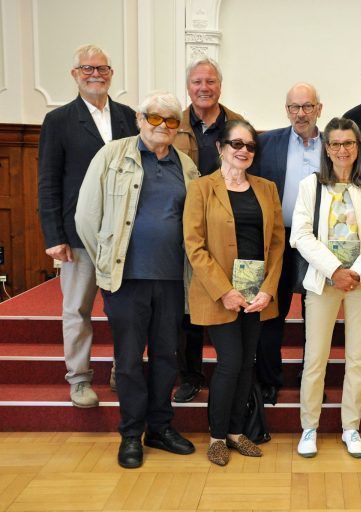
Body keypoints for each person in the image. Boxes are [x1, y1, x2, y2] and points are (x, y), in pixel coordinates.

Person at [75, 91, 199, 469]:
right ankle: (131, 433)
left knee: (165, 356)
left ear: (178, 127)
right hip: (126, 280)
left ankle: (159, 427)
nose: (163, 126)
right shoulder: (112, 156)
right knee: (128, 360)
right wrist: (107, 261)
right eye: (154, 118)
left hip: (172, 280)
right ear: (140, 119)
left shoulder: (185, 165)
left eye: (171, 120)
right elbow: (86, 217)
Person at [37, 44, 137, 408]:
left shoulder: (129, 117)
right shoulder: (59, 120)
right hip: (78, 234)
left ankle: (122, 370)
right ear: (74, 74)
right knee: (77, 309)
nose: (95, 74)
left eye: (102, 68)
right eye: (87, 68)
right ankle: (79, 379)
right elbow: (48, 181)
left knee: (125, 309)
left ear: (111, 73)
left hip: (122, 235)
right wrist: (54, 236)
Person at [184, 120, 285, 466]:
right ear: (221, 147)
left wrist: (268, 290)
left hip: (256, 293)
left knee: (246, 363)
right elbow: (195, 246)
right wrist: (224, 291)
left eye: (250, 146)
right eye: (236, 144)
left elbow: (277, 244)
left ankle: (237, 432)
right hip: (219, 292)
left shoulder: (267, 188)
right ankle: (216, 436)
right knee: (229, 362)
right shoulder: (201, 188)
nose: (243, 151)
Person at [290, 118, 361, 459]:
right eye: (335, 144)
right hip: (324, 280)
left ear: (357, 147)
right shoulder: (311, 185)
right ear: (327, 149)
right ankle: (309, 427)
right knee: (315, 357)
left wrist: (355, 272)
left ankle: (351, 427)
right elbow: (300, 234)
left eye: (348, 143)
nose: (342, 150)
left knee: (357, 357)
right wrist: (334, 269)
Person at [172, 57, 247, 404]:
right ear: (188, 87)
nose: (204, 88)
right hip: (184, 225)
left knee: (228, 299)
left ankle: (233, 372)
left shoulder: (237, 125)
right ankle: (190, 375)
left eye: (211, 81)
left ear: (220, 86)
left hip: (226, 226)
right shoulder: (173, 125)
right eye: (197, 82)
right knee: (187, 307)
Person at [253, 83, 323, 404]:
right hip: (277, 238)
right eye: (294, 107)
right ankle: (269, 378)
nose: (300, 113)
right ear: (286, 110)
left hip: (318, 242)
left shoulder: (334, 144)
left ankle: (311, 376)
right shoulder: (267, 143)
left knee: (316, 313)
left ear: (319, 109)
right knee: (272, 312)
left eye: (307, 106)